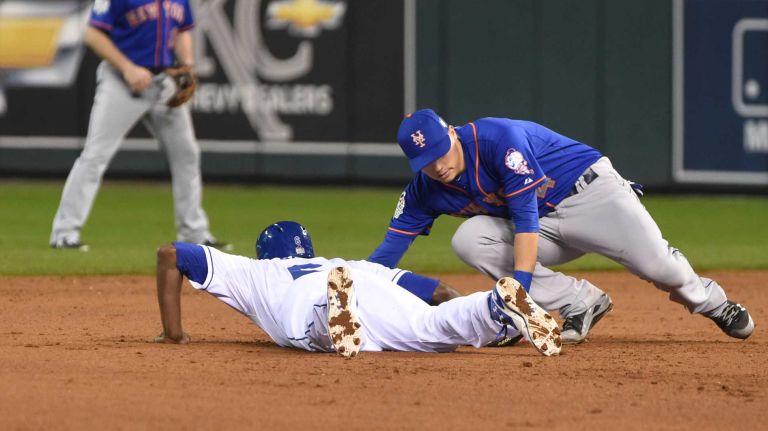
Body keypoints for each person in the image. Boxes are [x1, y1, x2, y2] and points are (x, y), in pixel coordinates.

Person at [368, 109, 755, 344]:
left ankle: (712, 301)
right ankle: (581, 302)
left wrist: (517, 295)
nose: (437, 165)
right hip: (545, 227)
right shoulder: (425, 190)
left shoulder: (497, 139)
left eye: (439, 152)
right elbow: (385, 257)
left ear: (451, 132)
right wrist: (353, 286)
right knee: (469, 240)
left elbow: (524, 219)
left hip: (591, 195)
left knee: (659, 267)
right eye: (425, 161)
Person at [153, 221, 562, 357]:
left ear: (266, 254)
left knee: (304, 325)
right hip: (365, 283)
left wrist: (174, 334)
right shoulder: (345, 264)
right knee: (431, 325)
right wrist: (494, 333)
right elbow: (436, 290)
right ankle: (492, 307)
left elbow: (171, 254)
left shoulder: (256, 271)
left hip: (311, 295)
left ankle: (330, 308)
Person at [50, 0, 227, 251]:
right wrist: (127, 68)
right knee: (95, 156)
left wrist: (186, 65)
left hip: (164, 82)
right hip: (121, 82)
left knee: (187, 156)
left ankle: (194, 233)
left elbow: (183, 29)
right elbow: (92, 33)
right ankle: (64, 233)